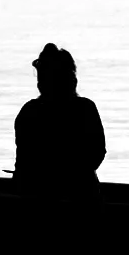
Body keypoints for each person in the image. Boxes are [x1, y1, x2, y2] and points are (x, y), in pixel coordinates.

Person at [13, 43, 106, 184]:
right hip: (81, 190)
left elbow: (23, 160)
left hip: (34, 189)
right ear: (72, 80)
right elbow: (97, 152)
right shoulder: (85, 108)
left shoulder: (29, 111)